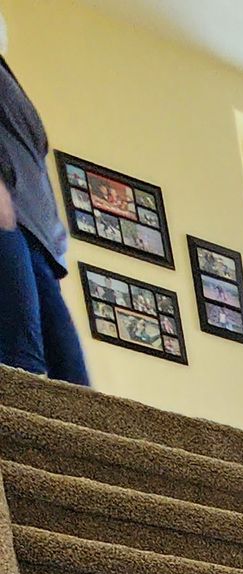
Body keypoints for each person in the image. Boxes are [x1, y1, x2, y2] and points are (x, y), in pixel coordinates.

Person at [0, 25, 87, 383]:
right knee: (22, 360)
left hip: (36, 233)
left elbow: (30, 155)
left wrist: (53, 229)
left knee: (74, 381)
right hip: (7, 222)